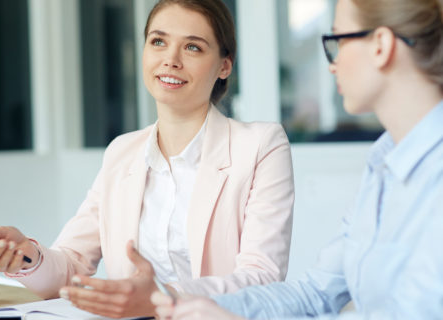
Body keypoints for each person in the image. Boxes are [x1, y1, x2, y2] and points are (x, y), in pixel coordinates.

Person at [0, 0, 295, 318]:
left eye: (193, 48)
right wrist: (27, 256)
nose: (170, 60)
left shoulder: (260, 145)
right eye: (158, 41)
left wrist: (162, 296)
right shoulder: (122, 152)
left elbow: (262, 277)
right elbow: (72, 267)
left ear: (224, 65)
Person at [151, 0, 443, 319]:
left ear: (381, 46)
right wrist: (194, 305)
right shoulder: (384, 165)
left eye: (337, 42)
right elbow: (315, 293)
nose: (332, 65)